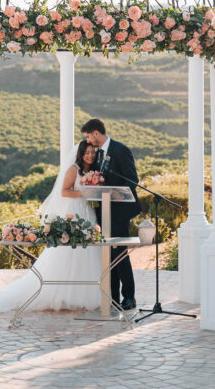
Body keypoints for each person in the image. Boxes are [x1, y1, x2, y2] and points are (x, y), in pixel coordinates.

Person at [0, 140, 101, 314]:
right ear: (80, 154)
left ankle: (85, 293)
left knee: (88, 252)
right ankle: (62, 293)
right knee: (68, 253)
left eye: (92, 152)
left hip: (88, 212)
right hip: (74, 212)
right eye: (87, 153)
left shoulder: (93, 171)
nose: (90, 155)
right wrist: (84, 192)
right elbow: (64, 191)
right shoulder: (74, 170)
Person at [81, 118, 142, 310]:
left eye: (89, 136)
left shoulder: (120, 150)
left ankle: (129, 297)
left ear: (96, 133)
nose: (88, 141)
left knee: (120, 253)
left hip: (119, 211)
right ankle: (114, 297)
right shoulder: (99, 155)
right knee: (109, 254)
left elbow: (132, 179)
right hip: (104, 211)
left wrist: (116, 193)